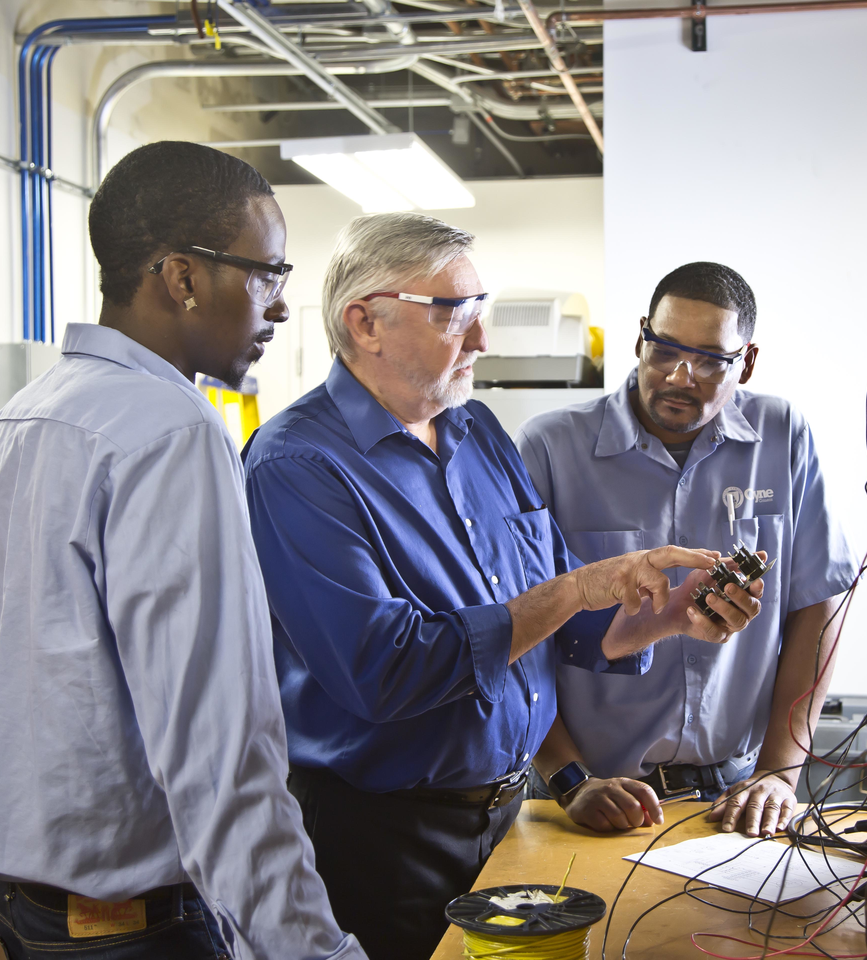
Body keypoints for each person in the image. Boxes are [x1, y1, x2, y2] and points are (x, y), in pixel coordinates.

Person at [242, 215, 764, 960]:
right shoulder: (297, 465)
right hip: (383, 841)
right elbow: (384, 670)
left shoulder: (477, 431)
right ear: (366, 323)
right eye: (456, 314)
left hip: (510, 819)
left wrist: (665, 615)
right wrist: (578, 589)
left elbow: (557, 626)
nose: (482, 339)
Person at [0, 141, 360, 960]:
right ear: (181, 278)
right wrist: (312, 951)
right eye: (266, 274)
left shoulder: (14, 422)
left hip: (30, 913)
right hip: (138, 927)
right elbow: (220, 751)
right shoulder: (172, 432)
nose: (281, 307)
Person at [516, 261, 858, 838]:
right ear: (640, 337)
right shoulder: (550, 447)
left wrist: (779, 773)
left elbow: (821, 601)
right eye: (665, 350)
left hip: (735, 798)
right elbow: (517, 626)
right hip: (588, 797)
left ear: (747, 361)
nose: (680, 376)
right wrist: (569, 778)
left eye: (709, 361)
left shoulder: (782, 435)